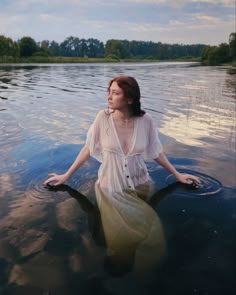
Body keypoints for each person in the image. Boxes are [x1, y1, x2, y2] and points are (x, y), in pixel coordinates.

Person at [44, 75, 200, 190]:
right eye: (109, 92)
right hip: (109, 187)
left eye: (115, 93)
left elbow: (155, 152)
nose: (109, 97)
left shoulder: (146, 120)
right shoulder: (102, 117)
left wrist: (177, 174)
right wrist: (66, 176)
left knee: (150, 229)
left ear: (129, 99)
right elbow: (88, 149)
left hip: (141, 183)